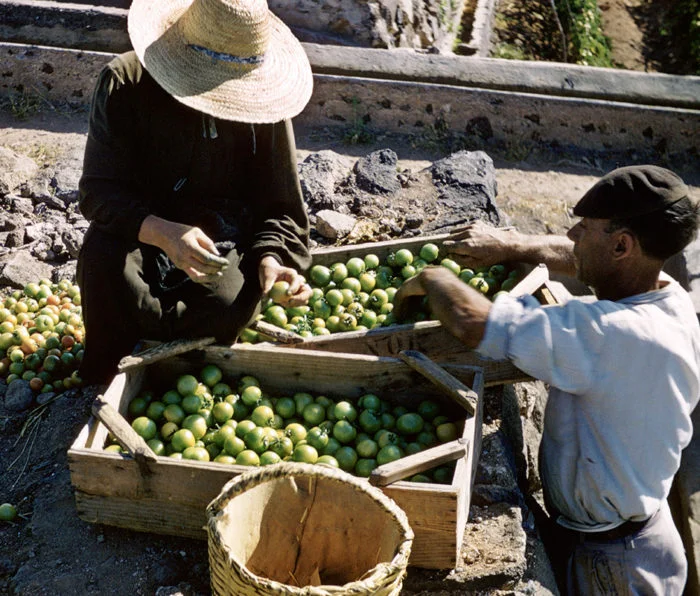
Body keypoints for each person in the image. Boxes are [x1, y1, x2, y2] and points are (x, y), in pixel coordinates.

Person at [394, 165, 700, 594]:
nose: (572, 234)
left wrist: (433, 278)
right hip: (628, 538)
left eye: (585, 228)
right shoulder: (666, 294)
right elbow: (578, 257)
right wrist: (513, 245)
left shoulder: (610, 334)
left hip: (616, 567)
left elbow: (473, 322)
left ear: (622, 245)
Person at [76, 0, 314, 385]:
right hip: (137, 227)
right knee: (104, 270)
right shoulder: (126, 81)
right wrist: (164, 233)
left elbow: (281, 206)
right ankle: (112, 374)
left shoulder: (262, 105)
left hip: (223, 237)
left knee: (227, 303)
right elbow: (98, 192)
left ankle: (181, 374)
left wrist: (271, 258)